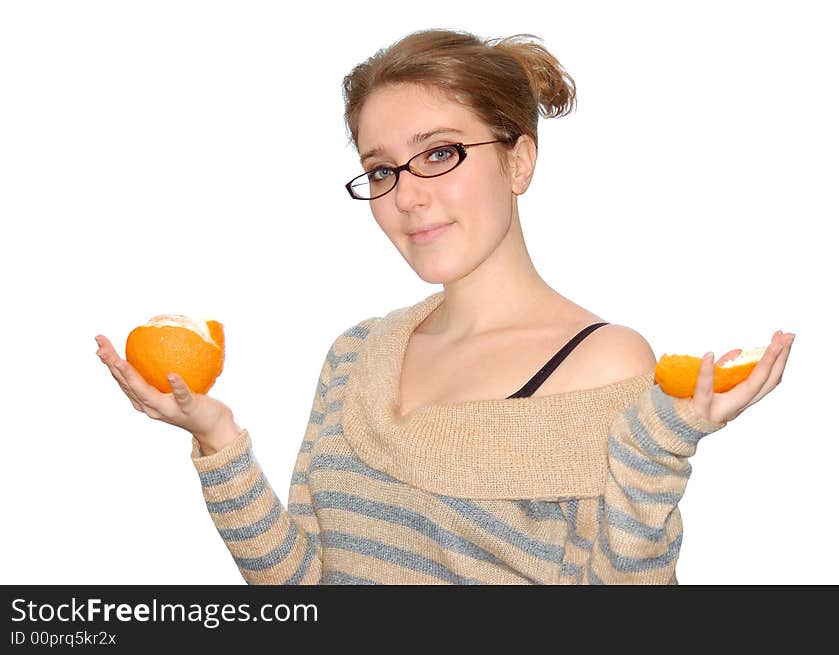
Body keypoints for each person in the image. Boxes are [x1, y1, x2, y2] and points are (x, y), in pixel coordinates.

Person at [95, 28, 795, 584]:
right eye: (381, 169)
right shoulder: (355, 353)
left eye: (439, 154)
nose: (406, 194)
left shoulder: (604, 363)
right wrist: (217, 439)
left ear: (518, 161)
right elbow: (305, 590)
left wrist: (663, 447)